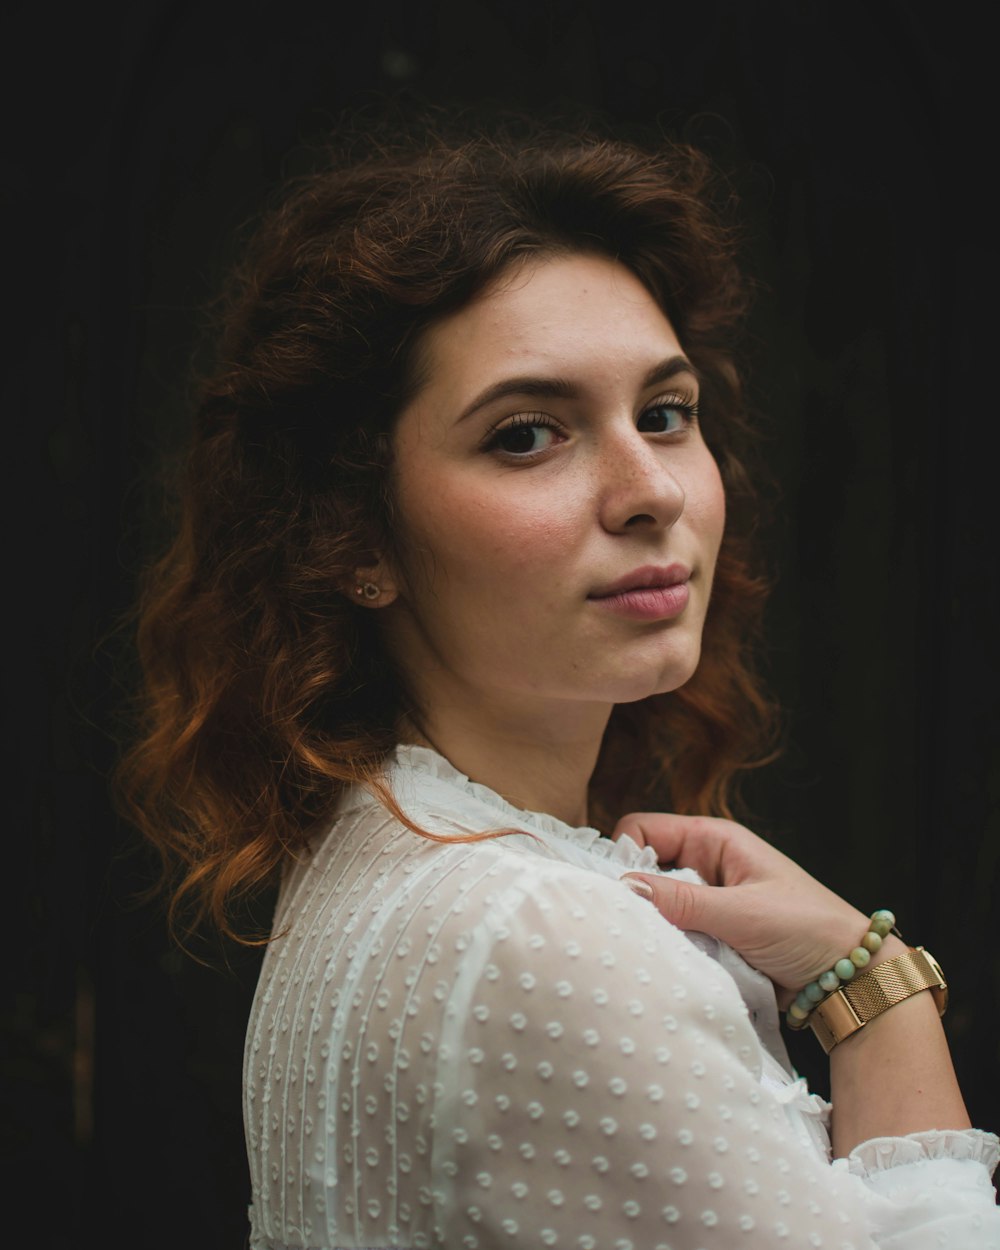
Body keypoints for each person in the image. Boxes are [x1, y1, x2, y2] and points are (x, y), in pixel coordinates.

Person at [119, 110, 1000, 1249]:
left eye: (665, 413)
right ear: (350, 538)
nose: (651, 490)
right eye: (529, 434)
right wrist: (878, 997)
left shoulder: (381, 853)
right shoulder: (536, 934)